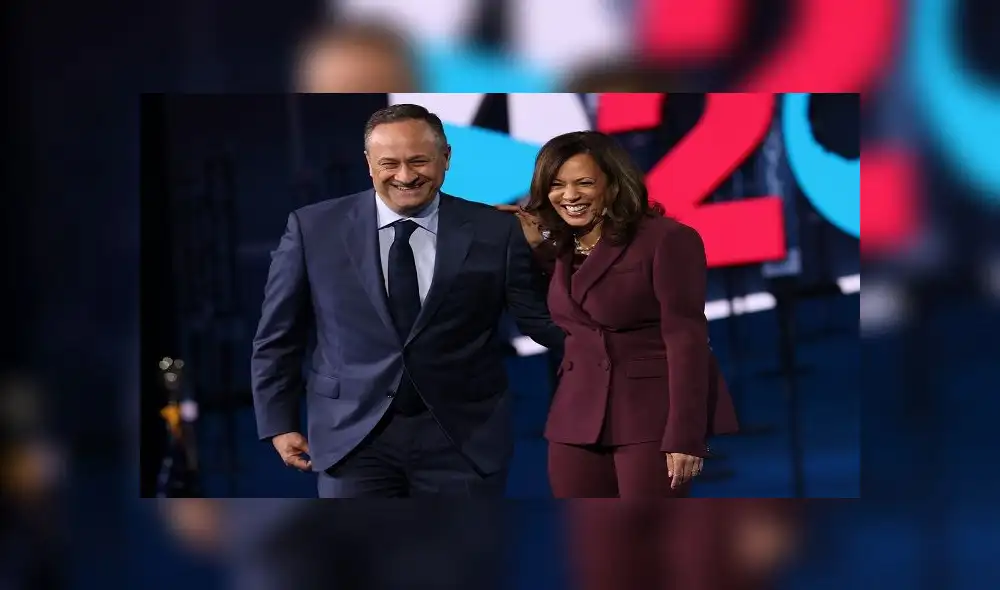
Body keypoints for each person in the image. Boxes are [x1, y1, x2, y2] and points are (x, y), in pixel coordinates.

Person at [251, 103, 564, 498]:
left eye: (419, 161)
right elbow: (277, 336)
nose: (405, 176)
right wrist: (278, 421)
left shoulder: (494, 230)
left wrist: (628, 346)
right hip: (351, 438)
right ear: (368, 163)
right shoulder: (313, 228)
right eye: (389, 163)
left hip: (463, 438)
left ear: (446, 158)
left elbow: (539, 322)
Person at [498, 131, 739, 498]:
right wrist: (533, 253)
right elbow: (562, 316)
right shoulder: (558, 249)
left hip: (650, 421)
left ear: (613, 186)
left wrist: (686, 434)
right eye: (557, 185)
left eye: (584, 183)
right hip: (575, 421)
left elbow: (686, 340)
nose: (570, 196)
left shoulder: (666, 240)